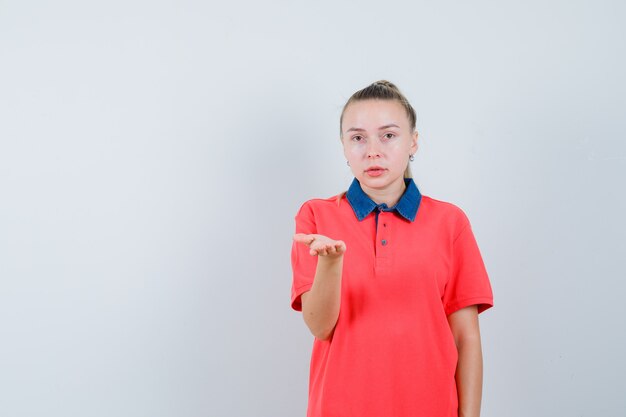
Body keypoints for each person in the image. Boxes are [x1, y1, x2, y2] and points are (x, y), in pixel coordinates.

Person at [290, 80, 494, 417]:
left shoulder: (450, 222)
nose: (373, 151)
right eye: (357, 138)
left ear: (413, 141)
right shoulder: (316, 216)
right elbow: (320, 326)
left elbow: (466, 338)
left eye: (388, 135)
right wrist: (331, 262)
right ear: (343, 146)